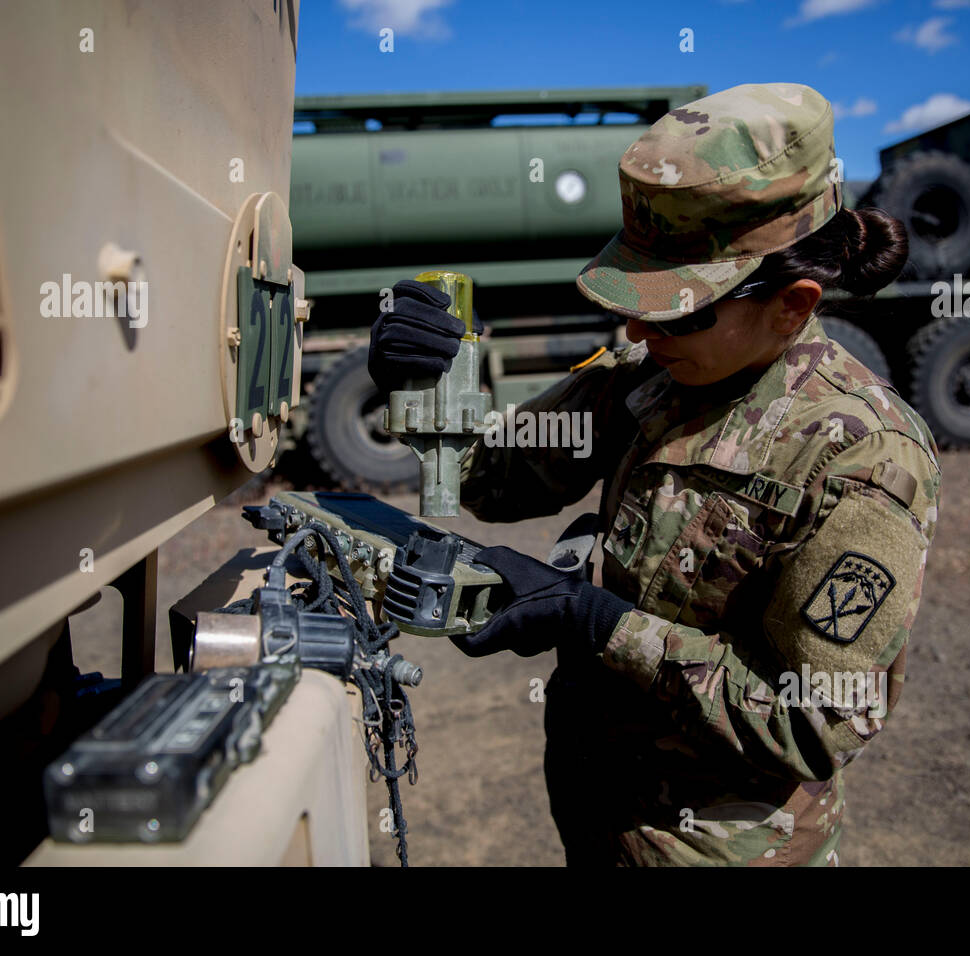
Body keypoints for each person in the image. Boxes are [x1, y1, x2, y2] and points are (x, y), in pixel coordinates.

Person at [368, 83, 941, 866]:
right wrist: (429, 380)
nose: (638, 328)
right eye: (640, 300)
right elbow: (493, 481)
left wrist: (594, 621)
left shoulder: (862, 456)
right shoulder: (650, 374)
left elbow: (813, 723)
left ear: (794, 303)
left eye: (680, 310)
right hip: (600, 820)